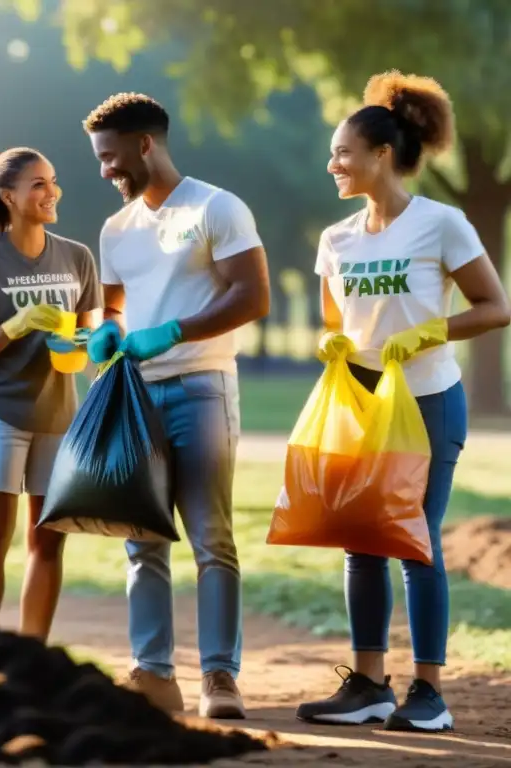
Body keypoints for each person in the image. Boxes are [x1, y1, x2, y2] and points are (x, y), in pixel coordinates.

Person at [296, 71, 510, 733]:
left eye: (343, 152)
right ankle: (368, 685)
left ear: (381, 154)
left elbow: (496, 307)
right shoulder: (337, 240)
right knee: (362, 545)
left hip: (428, 402)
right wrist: (331, 342)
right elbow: (335, 321)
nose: (333, 164)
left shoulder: (441, 223)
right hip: (360, 407)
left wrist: (431, 330)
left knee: (415, 543)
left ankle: (429, 694)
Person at [81, 93, 271, 719]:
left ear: (145, 145)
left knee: (211, 538)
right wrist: (106, 330)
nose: (106, 171)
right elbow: (113, 306)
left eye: (111, 158)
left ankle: (220, 678)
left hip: (201, 386)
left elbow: (253, 295)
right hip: (137, 396)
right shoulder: (115, 229)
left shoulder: (217, 207)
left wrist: (174, 332)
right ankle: (153, 676)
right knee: (143, 540)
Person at [0, 148, 101, 641]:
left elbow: (92, 333)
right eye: (37, 184)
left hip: (59, 411)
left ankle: (32, 652)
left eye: (52, 181)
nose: (50, 192)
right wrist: (14, 326)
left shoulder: (77, 256)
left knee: (49, 539)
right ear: (7, 195)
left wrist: (82, 342)